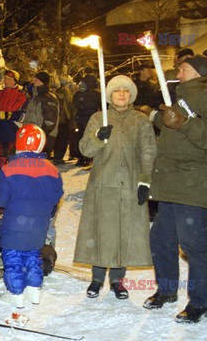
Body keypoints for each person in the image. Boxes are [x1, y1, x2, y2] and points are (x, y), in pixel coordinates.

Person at [145, 55, 207, 323]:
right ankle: (168, 290)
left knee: (194, 247)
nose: (178, 74)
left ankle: (200, 303)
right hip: (172, 184)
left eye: (182, 70)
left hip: (193, 184)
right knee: (161, 239)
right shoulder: (182, 97)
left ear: (196, 72)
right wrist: (154, 116)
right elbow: (174, 129)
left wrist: (183, 122)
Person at [73, 75, 156, 300]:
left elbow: (148, 151)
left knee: (123, 232)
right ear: (110, 95)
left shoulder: (141, 120)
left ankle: (118, 281)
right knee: (100, 231)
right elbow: (84, 149)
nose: (121, 94)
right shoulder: (99, 118)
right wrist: (99, 137)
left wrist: (145, 179)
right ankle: (97, 279)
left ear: (131, 95)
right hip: (103, 184)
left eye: (126, 91)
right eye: (117, 90)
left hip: (129, 184)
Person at [0, 124, 63, 308]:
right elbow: (57, 195)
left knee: (13, 257)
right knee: (33, 256)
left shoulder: (10, 168)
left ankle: (15, 293)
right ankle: (34, 290)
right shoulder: (52, 169)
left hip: (14, 224)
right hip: (38, 225)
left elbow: (1, 198)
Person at [0, 70, 26, 166]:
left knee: (13, 164)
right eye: (5, 78)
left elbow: (24, 115)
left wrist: (9, 115)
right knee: (1, 163)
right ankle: (1, 180)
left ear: (15, 81)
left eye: (9, 79)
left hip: (13, 135)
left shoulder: (21, 96)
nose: (6, 81)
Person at [23, 71, 60, 156]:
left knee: (39, 164)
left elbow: (50, 121)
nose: (34, 81)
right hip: (31, 135)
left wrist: (41, 135)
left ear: (43, 82)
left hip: (41, 137)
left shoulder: (48, 98)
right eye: (35, 78)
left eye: (38, 80)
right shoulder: (34, 97)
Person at [71, 75, 101, 166]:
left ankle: (81, 158)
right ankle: (88, 158)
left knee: (81, 138)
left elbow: (74, 104)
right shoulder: (98, 94)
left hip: (81, 119)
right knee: (91, 138)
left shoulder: (79, 94)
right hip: (91, 119)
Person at [53, 78, 74, 164]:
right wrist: (70, 118)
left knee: (58, 139)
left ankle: (56, 156)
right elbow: (68, 105)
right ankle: (59, 157)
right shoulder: (66, 91)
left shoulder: (58, 91)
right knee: (63, 139)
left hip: (58, 119)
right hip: (64, 119)